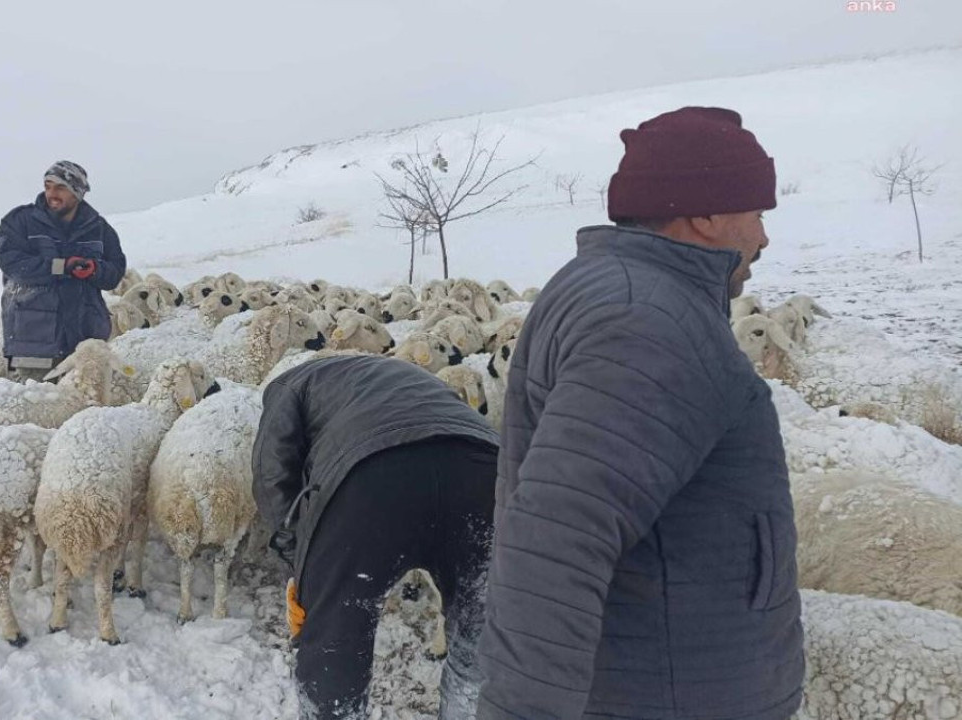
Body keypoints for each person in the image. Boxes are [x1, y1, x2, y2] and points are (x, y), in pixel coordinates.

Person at [477, 107, 804, 719]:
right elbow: (556, 545)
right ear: (705, 214)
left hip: (657, 673)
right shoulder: (647, 321)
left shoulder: (617, 289)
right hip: (672, 691)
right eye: (758, 213)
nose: (764, 237)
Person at [253, 354, 500, 720]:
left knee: (335, 647)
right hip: (483, 474)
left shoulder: (289, 384)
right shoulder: (414, 376)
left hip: (372, 482)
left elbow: (271, 474)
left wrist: (300, 564)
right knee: (480, 641)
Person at [0, 160, 127, 380]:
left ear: (78, 191)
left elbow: (115, 271)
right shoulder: (19, 222)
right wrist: (61, 266)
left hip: (86, 340)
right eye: (48, 186)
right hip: (34, 341)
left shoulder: (99, 228)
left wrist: (95, 269)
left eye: (60, 187)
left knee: (85, 407)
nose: (51, 193)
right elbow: (13, 264)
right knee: (39, 407)